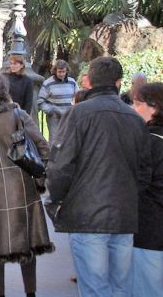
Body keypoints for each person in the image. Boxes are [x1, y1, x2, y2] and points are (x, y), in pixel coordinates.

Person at [48, 56, 152, 297]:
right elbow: (145, 169)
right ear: (118, 83)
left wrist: (57, 199)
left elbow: (61, 164)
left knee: (95, 287)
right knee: (120, 286)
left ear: (89, 81)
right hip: (123, 213)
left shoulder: (79, 114)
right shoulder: (134, 119)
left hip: (87, 213)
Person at [0, 73, 54, 297]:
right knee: (27, 242)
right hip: (21, 183)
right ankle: (30, 293)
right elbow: (42, 145)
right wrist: (42, 173)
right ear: (3, 90)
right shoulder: (17, 113)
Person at [129, 83, 163, 296]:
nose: (133, 108)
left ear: (155, 108)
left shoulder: (148, 141)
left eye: (138, 103)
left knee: (147, 288)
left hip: (149, 227)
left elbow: (139, 182)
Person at [37, 59, 77, 143]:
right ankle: (53, 156)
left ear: (67, 71)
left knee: (69, 139)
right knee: (55, 140)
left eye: (63, 72)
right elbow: (40, 100)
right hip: (54, 116)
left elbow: (78, 97)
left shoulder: (72, 82)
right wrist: (49, 110)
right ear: (55, 71)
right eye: (59, 72)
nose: (61, 74)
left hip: (69, 115)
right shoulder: (48, 83)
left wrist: (75, 109)